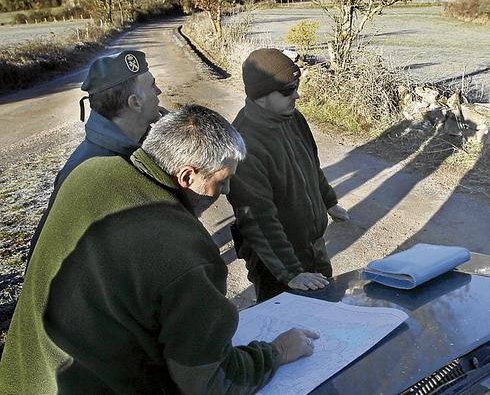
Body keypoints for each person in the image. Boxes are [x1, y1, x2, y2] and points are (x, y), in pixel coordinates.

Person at [0, 105, 319, 394]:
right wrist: (276, 352)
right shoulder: (184, 250)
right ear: (186, 176)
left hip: (24, 377)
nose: (226, 191)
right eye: (221, 181)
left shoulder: (88, 173)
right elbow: (210, 385)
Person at [227, 48, 349, 302]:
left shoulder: (293, 118)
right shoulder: (245, 143)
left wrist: (329, 201)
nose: (297, 95)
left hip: (313, 248)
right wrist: (290, 273)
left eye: (296, 86)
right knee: (286, 329)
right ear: (260, 95)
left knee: (326, 313)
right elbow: (257, 218)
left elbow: (311, 166)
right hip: (275, 264)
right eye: (287, 90)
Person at [27, 49, 164, 261]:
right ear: (135, 103)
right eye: (153, 86)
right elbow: (47, 255)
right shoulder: (86, 170)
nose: (160, 91)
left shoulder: (134, 147)